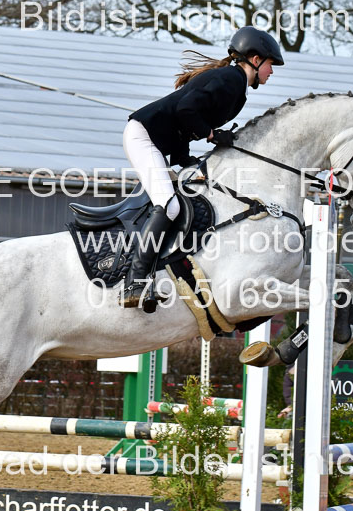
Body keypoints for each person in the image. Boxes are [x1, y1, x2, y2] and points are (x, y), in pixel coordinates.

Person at [119, 26, 284, 308]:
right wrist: (211, 135)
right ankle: (134, 281)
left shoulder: (235, 83)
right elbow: (186, 111)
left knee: (185, 197)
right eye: (270, 64)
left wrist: (187, 161)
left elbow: (182, 126)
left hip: (158, 140)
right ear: (255, 60)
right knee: (169, 205)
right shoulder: (231, 80)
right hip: (143, 136)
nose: (272, 71)